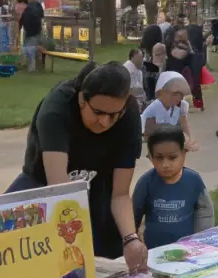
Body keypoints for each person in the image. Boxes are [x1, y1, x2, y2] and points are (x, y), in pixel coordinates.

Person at [9, 62, 144, 267]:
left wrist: (130, 239)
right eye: (98, 112)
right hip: (45, 186)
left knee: (108, 254)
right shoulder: (56, 110)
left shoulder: (129, 115)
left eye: (114, 115)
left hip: (98, 182)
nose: (105, 122)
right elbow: (61, 192)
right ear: (82, 99)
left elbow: (120, 193)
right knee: (29, 254)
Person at [132, 125, 214, 249]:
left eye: (172, 157)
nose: (165, 164)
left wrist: (202, 240)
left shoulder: (194, 180)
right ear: (150, 157)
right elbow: (133, 216)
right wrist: (133, 242)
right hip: (155, 253)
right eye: (159, 157)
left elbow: (205, 212)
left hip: (188, 250)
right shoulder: (146, 183)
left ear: (183, 154)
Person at [141, 72, 195, 149]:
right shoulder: (153, 109)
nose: (178, 98)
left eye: (181, 94)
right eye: (174, 94)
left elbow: (183, 124)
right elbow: (147, 135)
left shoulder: (181, 106)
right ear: (162, 92)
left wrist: (188, 141)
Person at [19, 0, 44, 71]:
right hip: (34, 32)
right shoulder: (34, 9)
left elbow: (21, 22)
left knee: (29, 50)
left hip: (30, 33)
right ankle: (34, 65)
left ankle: (31, 67)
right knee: (31, 49)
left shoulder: (27, 11)